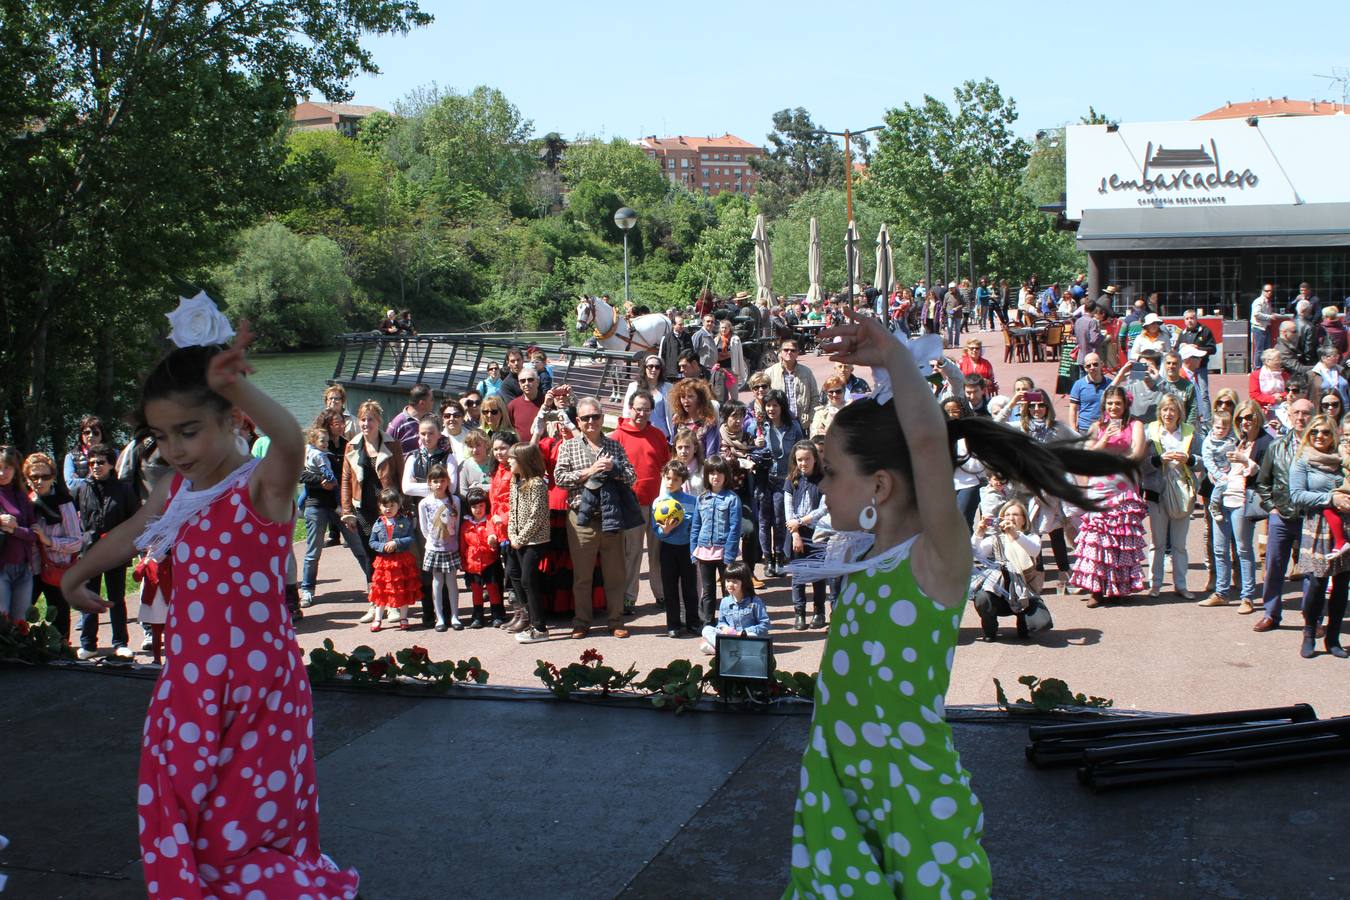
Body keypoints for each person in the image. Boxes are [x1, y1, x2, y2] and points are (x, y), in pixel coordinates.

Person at [785, 308, 1133, 897]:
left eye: (832, 469)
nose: (819, 482)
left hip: (908, 790)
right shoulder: (871, 556)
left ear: (880, 484)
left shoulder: (935, 558)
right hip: (839, 782)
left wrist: (894, 354)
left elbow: (923, 439)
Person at [60, 317, 359, 897]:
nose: (173, 450)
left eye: (188, 432)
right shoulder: (174, 491)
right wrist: (76, 574)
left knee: (241, 832)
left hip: (257, 690)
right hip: (189, 685)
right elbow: (128, 535)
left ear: (231, 418)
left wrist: (237, 383)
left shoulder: (260, 488)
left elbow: (293, 442)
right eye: (161, 437)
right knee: (187, 825)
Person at [553, 396, 637, 639]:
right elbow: (559, 478)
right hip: (581, 519)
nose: (591, 421)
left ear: (602, 419)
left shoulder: (614, 446)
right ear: (578, 421)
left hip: (611, 518)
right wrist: (589, 472)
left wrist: (616, 470)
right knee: (582, 576)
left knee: (615, 574)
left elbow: (632, 477)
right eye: (586, 418)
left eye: (596, 416)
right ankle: (582, 621)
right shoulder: (568, 446)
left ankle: (616, 620)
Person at [1068, 386, 1149, 606]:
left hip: (1123, 488)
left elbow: (1137, 452)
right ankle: (1096, 589)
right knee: (1097, 537)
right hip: (1099, 487)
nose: (1114, 408)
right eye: (1110, 404)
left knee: (1120, 538)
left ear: (1125, 406)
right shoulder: (1096, 426)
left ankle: (1118, 587)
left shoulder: (1136, 425)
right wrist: (1104, 442)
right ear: (1105, 405)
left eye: (1118, 404)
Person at [1288, 415, 1350, 658]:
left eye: (1325, 432)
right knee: (1316, 584)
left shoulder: (1340, 459)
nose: (1319, 436)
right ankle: (1310, 633)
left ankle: (1333, 639)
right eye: (1315, 432)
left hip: (1345, 527)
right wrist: (1329, 498)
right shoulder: (1302, 461)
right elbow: (1297, 495)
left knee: (1342, 584)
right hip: (1317, 528)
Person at [1253, 397, 1314, 633]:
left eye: (1306, 413)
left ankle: (1312, 617)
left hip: (1311, 518)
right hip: (1282, 516)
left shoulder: (1319, 446)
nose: (1300, 418)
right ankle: (1271, 613)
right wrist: (1272, 508)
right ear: (1289, 414)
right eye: (1296, 412)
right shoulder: (1276, 447)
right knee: (1275, 566)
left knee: (1311, 570)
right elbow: (1263, 482)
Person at [71, 443, 135, 658]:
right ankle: (88, 644)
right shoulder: (81, 488)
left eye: (100, 462)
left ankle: (120, 643)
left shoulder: (124, 489)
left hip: (115, 551)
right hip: (89, 551)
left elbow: (134, 520)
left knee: (116, 596)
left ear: (110, 465)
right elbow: (67, 514)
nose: (95, 466)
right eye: (91, 463)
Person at [614, 391, 670, 617]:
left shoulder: (657, 435)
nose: (642, 413)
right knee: (632, 553)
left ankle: (662, 593)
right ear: (630, 408)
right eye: (638, 408)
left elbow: (667, 468)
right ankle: (629, 597)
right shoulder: (618, 436)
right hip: (632, 505)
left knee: (658, 553)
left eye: (647, 409)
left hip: (658, 504)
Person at [1199, 408, 1262, 609]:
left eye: (1248, 418)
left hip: (1241, 501)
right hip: (1221, 500)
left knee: (1243, 549)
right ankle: (1221, 592)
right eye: (1240, 419)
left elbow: (1257, 470)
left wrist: (1245, 460)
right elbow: (1209, 461)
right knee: (1219, 549)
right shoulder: (1234, 441)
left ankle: (1247, 596)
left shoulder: (1257, 443)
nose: (1244, 422)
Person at [1143, 395, 1199, 599]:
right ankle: (1155, 584)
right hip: (1157, 492)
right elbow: (1141, 464)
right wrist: (1158, 460)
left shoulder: (1189, 432)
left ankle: (1181, 585)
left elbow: (1203, 462)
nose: (1168, 414)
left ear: (1179, 413)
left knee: (1179, 544)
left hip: (1182, 491)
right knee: (1157, 542)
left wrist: (1190, 459)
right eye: (1165, 409)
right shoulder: (1150, 431)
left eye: (1172, 410)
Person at [23, 452, 81, 643]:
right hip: (31, 567)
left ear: (53, 477)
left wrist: (48, 541)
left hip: (57, 566)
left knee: (59, 613)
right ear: (27, 478)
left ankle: (61, 650)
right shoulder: (25, 502)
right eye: (34, 477)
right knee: (21, 610)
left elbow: (76, 542)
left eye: (45, 476)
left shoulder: (64, 503)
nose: (40, 481)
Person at [971, 499, 1043, 640]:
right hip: (1000, 595)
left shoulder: (1031, 537)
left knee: (1042, 623)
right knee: (982, 598)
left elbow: (1034, 550)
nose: (1011, 518)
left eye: (1015, 514)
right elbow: (973, 553)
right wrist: (979, 533)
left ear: (1024, 519)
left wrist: (1015, 534)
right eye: (1007, 514)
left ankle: (1023, 623)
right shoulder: (996, 539)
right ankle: (990, 629)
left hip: (1025, 595)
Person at [688, 455, 742, 630]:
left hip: (724, 549)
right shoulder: (701, 499)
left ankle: (730, 621)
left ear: (726, 476)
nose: (715, 477)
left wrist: (729, 554)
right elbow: (696, 525)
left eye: (719, 473)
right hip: (704, 550)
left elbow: (735, 527)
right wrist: (693, 550)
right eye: (711, 473)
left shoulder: (732, 499)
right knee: (708, 590)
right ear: (707, 476)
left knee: (729, 589)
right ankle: (708, 622)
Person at [755, 389, 805, 578]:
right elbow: (750, 450)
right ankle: (767, 559)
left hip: (784, 479)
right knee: (763, 521)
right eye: (768, 405)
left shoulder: (793, 427)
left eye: (775, 405)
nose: (771, 409)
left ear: (782, 406)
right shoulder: (760, 426)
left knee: (779, 520)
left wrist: (796, 477)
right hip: (764, 478)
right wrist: (756, 444)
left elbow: (801, 450)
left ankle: (779, 557)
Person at [506, 443, 551, 644]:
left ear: (523, 461)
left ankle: (539, 627)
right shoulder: (515, 481)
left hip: (534, 541)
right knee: (516, 575)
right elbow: (512, 512)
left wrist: (521, 538)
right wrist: (512, 535)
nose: (508, 461)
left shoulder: (537, 484)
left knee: (529, 580)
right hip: (517, 540)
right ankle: (529, 619)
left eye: (512, 458)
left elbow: (537, 516)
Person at [297, 423, 345, 608]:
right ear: (313, 441)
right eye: (321, 440)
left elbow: (341, 476)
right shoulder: (311, 454)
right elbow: (301, 475)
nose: (325, 443)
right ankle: (307, 590)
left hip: (334, 506)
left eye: (326, 440)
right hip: (315, 505)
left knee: (356, 544)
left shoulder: (331, 453)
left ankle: (372, 583)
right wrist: (321, 481)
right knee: (313, 551)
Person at [784, 440, 828, 630]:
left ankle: (819, 611)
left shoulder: (824, 480)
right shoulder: (791, 480)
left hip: (817, 533)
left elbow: (823, 509)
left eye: (807, 459)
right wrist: (795, 533)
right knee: (798, 576)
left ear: (815, 459)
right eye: (799, 460)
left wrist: (801, 522)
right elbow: (788, 509)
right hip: (795, 534)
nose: (803, 463)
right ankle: (800, 613)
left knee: (818, 575)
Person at [653, 460, 698, 638]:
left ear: (683, 481)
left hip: (686, 549)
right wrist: (665, 530)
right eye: (668, 478)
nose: (671, 482)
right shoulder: (659, 502)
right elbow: (656, 531)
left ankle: (693, 622)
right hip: (668, 549)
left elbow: (696, 525)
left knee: (690, 588)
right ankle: (673, 624)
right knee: (670, 589)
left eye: (676, 479)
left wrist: (688, 529)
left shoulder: (692, 501)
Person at [366, 487, 419, 631]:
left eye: (392, 506)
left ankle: (403, 617)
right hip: (384, 563)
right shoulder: (378, 523)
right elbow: (372, 542)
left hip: (401, 560)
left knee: (402, 589)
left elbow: (410, 538)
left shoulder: (404, 521)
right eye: (385, 506)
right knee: (381, 591)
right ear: (380, 506)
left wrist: (397, 543)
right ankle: (378, 619)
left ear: (398, 505)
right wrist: (382, 546)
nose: (388, 509)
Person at [418, 463, 462, 632]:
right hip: (434, 548)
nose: (439, 484)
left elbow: (456, 525)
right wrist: (432, 540)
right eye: (435, 481)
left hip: (450, 547)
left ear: (447, 482)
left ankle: (454, 616)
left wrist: (454, 542)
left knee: (451, 582)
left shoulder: (455, 500)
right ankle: (440, 618)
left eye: (442, 480)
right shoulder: (425, 503)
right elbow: (424, 528)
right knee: (437, 582)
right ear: (430, 483)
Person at [0, 445, 38, 627]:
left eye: (7, 467)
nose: (2, 473)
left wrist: (15, 529)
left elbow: (33, 535)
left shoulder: (23, 497)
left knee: (19, 624)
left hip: (24, 568)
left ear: (15, 469)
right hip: (2, 569)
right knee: (2, 620)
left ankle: (18, 656)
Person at [698, 560, 769, 655]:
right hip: (730, 637)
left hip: (746, 636)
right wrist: (725, 628)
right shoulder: (725, 601)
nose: (730, 585)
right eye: (728, 581)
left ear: (744, 583)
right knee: (707, 630)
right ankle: (732, 650)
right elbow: (721, 622)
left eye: (734, 582)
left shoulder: (755, 601)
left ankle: (723, 650)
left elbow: (765, 625)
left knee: (752, 636)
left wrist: (745, 632)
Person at [459, 487, 503, 629]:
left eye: (481, 506)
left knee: (492, 589)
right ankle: (478, 616)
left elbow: (492, 532)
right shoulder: (466, 524)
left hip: (489, 560)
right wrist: (463, 561)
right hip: (472, 563)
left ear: (486, 505)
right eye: (474, 506)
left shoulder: (489, 519)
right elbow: (462, 544)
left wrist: (492, 540)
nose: (478, 509)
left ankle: (496, 615)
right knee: (476, 590)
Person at [764, 338, 818, 424]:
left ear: (797, 353)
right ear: (780, 352)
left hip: (801, 422)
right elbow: (764, 397)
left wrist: (810, 417)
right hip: (779, 422)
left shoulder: (806, 372)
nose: (789, 352)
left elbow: (815, 397)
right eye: (786, 350)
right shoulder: (770, 372)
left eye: (793, 350)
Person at [668, 377, 721, 460]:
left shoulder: (709, 423)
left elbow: (712, 455)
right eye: (682, 397)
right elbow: (673, 449)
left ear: (699, 399)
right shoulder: (677, 421)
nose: (686, 400)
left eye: (690, 396)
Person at [63, 414, 106, 494]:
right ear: (81, 435)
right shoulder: (71, 456)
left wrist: (80, 480)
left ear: (102, 435)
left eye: (96, 433)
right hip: (81, 500)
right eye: (87, 432)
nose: (91, 436)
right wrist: (99, 481)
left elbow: (118, 479)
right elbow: (71, 483)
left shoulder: (113, 453)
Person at [1068, 352, 1110, 433]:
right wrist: (1073, 429)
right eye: (1088, 365)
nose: (1092, 367)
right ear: (1085, 368)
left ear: (1101, 364)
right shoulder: (1078, 385)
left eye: (1095, 364)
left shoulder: (1110, 384)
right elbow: (1073, 408)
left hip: (1104, 428)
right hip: (1085, 429)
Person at [388, 383, 435, 454]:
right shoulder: (398, 424)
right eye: (431, 399)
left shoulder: (431, 419)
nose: (433, 402)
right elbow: (386, 450)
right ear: (422, 403)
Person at [623, 354, 671, 419]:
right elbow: (627, 411)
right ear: (644, 368)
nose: (654, 370)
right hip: (641, 427)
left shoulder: (668, 387)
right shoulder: (634, 386)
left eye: (657, 367)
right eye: (650, 366)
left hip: (662, 428)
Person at [507, 369, 545, 439]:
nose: (526, 383)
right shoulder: (512, 405)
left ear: (538, 382)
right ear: (519, 384)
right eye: (522, 381)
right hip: (521, 449)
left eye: (530, 380)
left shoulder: (547, 402)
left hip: (545, 448)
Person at [1250, 283, 1275, 361]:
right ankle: (1257, 368)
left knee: (1267, 350)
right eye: (1267, 291)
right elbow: (1256, 314)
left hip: (1265, 327)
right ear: (1262, 291)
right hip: (1259, 328)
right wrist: (1270, 317)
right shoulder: (1258, 301)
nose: (1269, 293)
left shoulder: (1268, 302)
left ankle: (1265, 367)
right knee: (1259, 350)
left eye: (1270, 291)